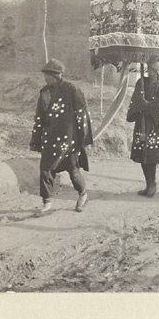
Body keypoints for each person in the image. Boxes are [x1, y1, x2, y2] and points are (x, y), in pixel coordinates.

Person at [30, 59, 93, 213]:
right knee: (45, 169)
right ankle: (47, 202)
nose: (45, 78)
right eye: (45, 75)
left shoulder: (71, 89)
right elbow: (39, 117)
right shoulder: (44, 93)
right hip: (50, 138)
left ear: (57, 76)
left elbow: (81, 113)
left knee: (73, 170)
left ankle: (83, 194)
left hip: (69, 139)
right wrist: (36, 139)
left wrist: (83, 138)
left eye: (48, 76)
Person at [126, 62, 159, 197]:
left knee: (151, 154)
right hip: (141, 122)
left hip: (153, 125)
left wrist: (147, 106)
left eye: (154, 71)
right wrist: (141, 104)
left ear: (158, 73)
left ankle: (153, 184)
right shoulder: (141, 82)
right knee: (141, 153)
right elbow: (136, 99)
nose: (150, 73)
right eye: (149, 70)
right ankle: (147, 183)